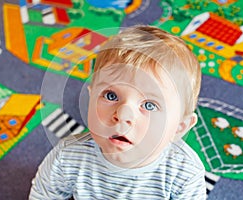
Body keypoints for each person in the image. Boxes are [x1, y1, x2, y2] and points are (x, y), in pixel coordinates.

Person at [29, 25, 206, 199]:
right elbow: (43, 194)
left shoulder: (185, 173)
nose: (122, 115)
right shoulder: (68, 156)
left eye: (149, 105)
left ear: (179, 128)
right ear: (92, 97)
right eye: (111, 95)